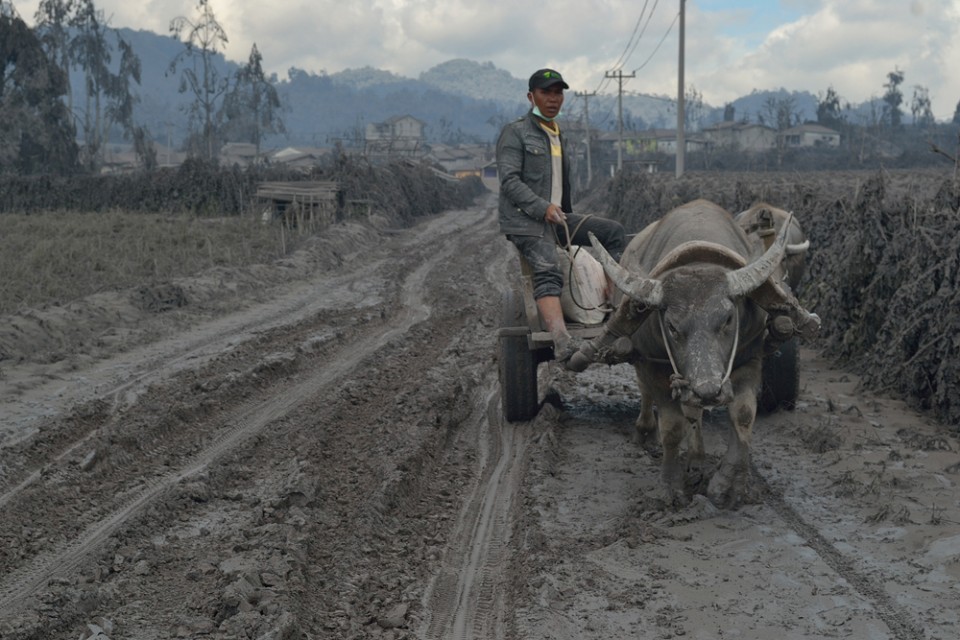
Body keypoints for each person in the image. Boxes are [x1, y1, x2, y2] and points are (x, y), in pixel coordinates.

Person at [497, 68, 627, 363]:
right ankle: (561, 339)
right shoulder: (515, 133)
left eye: (558, 93)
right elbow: (509, 180)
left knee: (614, 232)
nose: (553, 99)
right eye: (546, 93)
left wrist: (563, 213)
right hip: (526, 221)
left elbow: (561, 184)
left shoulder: (556, 134)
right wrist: (542, 207)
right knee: (548, 265)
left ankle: (613, 311)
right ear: (531, 97)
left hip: (557, 219)